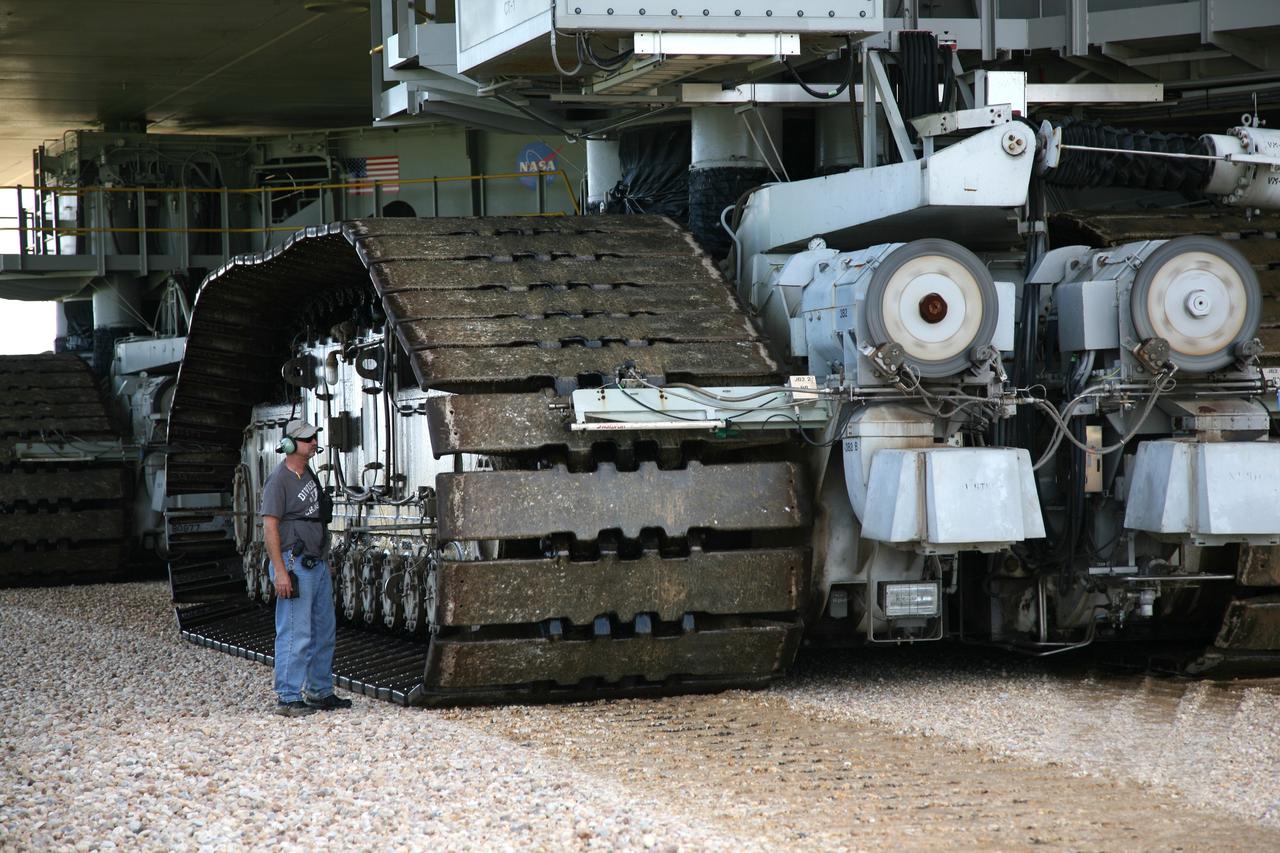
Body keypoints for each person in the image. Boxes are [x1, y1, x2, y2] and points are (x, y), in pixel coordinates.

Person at [260, 418, 352, 717]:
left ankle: (319, 690)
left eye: (314, 437)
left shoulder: (308, 474)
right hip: (294, 563)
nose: (313, 442)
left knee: (323, 630)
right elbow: (270, 527)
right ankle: (287, 696)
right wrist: (281, 571)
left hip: (316, 563)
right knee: (294, 632)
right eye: (306, 439)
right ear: (289, 445)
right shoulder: (278, 480)